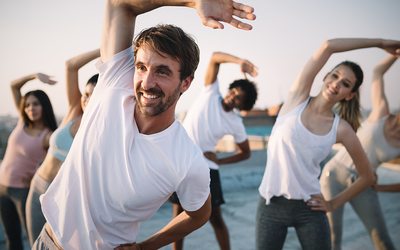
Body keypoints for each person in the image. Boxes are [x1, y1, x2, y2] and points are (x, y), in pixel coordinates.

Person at [32, 0, 256, 249]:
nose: (147, 82)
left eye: (162, 71)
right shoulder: (115, 82)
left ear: (185, 83)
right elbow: (119, 4)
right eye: (141, 67)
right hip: (46, 241)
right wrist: (192, 2)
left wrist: (145, 246)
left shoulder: (188, 162)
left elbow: (199, 214)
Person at [256, 38, 400, 250]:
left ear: (349, 95)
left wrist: (333, 204)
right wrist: (379, 43)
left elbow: (367, 176)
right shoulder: (297, 98)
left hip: (310, 209)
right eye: (335, 76)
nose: (336, 83)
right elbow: (328, 46)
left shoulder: (341, 129)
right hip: (270, 204)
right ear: (325, 76)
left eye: (345, 84)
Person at [170, 52, 258, 250]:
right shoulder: (211, 91)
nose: (234, 97)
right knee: (178, 215)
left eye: (240, 99)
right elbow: (215, 57)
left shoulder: (236, 123)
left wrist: (220, 160)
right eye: (234, 92)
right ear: (230, 89)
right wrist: (240, 61)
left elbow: (246, 152)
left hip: (207, 167)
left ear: (242, 105)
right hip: (181, 159)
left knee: (215, 217)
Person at [320, 54, 400, 250]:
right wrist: (397, 52)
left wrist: (380, 188)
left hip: (364, 184)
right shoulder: (381, 111)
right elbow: (378, 72)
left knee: (382, 240)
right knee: (332, 239)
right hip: (333, 175)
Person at [25, 49, 100, 245]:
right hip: (38, 186)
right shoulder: (75, 110)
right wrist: (106, 48)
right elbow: (70, 66)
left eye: (93, 95)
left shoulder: (101, 131)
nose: (86, 99)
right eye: (85, 94)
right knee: (35, 244)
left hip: (63, 199)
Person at [0, 73, 57, 250]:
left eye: (36, 104)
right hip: (2, 187)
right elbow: (14, 86)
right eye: (28, 105)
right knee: (12, 237)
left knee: (33, 238)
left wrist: (34, 179)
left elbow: (53, 166)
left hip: (23, 192)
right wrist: (34, 76)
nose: (31, 108)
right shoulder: (21, 122)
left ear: (44, 106)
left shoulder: (48, 136)